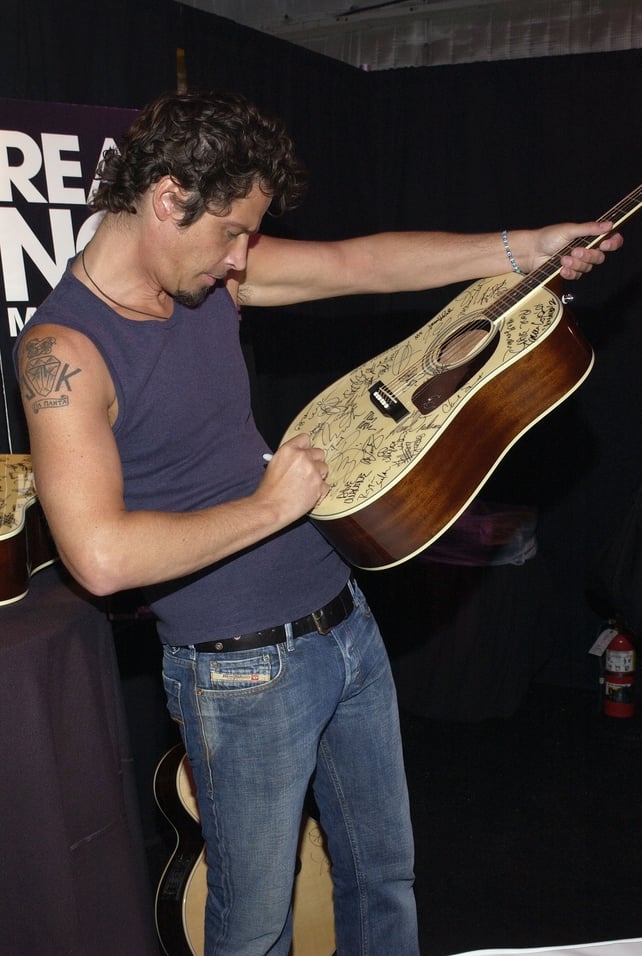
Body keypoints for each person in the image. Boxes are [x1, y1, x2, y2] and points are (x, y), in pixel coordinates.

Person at [13, 89, 623, 956]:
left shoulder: (204, 278)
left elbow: (353, 263)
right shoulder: (62, 350)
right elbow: (102, 557)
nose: (239, 261)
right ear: (166, 198)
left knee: (384, 881)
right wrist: (271, 507)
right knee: (256, 928)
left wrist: (525, 247)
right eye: (231, 233)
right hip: (238, 675)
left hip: (345, 623)